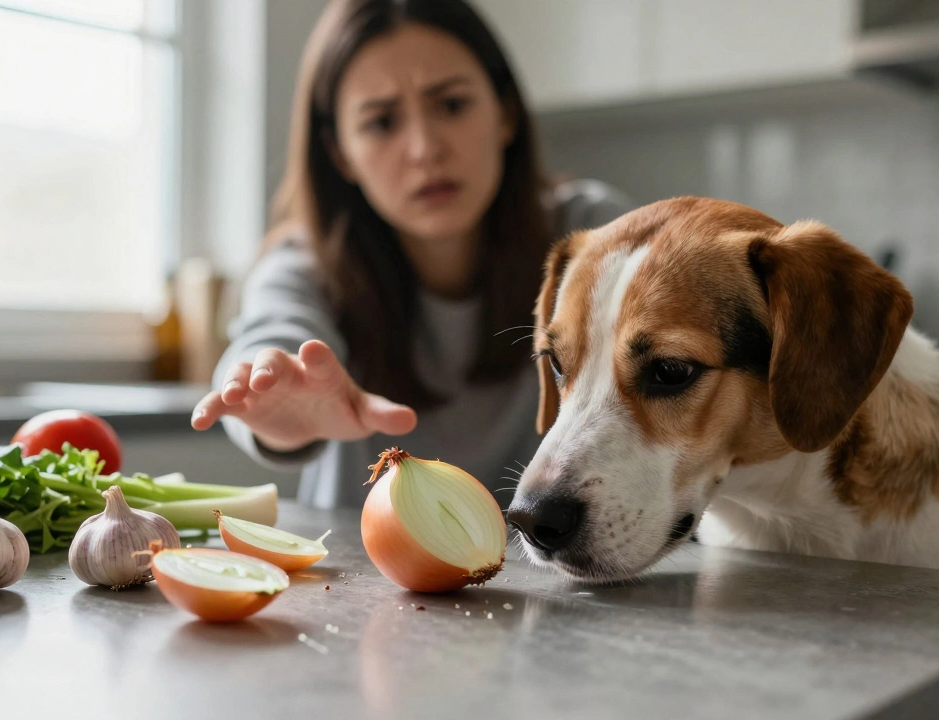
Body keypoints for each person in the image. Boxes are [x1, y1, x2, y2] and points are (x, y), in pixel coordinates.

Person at [191, 0, 632, 509]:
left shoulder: (590, 230)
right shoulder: (303, 266)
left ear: (505, 114)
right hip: (364, 581)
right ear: (341, 155)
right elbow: (270, 338)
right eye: (381, 123)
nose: (424, 148)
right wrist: (270, 402)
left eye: (451, 105)